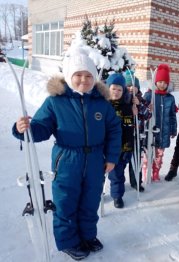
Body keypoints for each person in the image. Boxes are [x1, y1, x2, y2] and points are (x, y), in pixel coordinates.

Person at [13, 49, 122, 260]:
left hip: (95, 160)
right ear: (70, 76)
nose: (84, 80)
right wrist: (24, 128)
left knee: (90, 201)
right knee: (66, 202)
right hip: (67, 160)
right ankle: (68, 241)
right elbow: (41, 128)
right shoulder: (56, 101)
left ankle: (88, 235)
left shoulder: (101, 103)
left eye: (89, 75)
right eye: (79, 75)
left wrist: (111, 157)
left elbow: (114, 130)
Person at [106, 73, 137, 208]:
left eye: (120, 89)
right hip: (106, 147)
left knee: (117, 174)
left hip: (124, 146)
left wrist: (137, 108)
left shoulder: (128, 105)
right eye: (114, 89)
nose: (117, 92)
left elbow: (145, 115)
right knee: (98, 173)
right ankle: (96, 192)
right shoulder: (103, 106)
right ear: (108, 89)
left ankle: (117, 196)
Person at [142, 64, 177, 181]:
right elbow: (142, 112)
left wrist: (173, 129)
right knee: (148, 154)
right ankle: (146, 172)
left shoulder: (170, 98)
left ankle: (156, 172)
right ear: (155, 82)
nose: (162, 84)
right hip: (150, 131)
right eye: (160, 81)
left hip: (164, 132)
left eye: (165, 82)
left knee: (159, 156)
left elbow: (172, 115)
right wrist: (147, 108)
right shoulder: (148, 95)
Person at [124, 70, 151, 192]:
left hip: (137, 136)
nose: (131, 88)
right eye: (128, 86)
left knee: (136, 160)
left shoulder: (142, 100)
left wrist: (139, 105)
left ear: (138, 88)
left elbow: (147, 115)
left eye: (133, 86)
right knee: (122, 159)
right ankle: (119, 183)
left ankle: (136, 181)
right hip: (124, 137)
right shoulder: (122, 100)